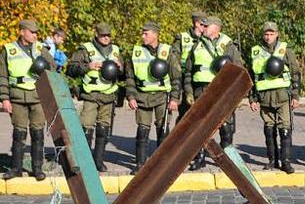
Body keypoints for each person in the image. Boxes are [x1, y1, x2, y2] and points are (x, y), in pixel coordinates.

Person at [184, 16, 242, 170]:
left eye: (206, 26)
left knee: (225, 125)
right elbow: (188, 72)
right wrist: (189, 92)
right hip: (201, 91)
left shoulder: (229, 46)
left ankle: (227, 159)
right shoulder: (196, 46)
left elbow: (239, 69)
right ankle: (200, 157)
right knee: (200, 126)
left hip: (223, 91)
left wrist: (235, 94)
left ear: (216, 28)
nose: (202, 29)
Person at [0, 19, 55, 181]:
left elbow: (52, 67)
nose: (35, 35)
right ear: (22, 32)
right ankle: (16, 168)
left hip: (37, 97)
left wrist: (43, 62)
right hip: (17, 97)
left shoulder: (40, 48)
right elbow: (2, 77)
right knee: (19, 133)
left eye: (36, 32)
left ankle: (37, 168)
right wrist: (4, 99)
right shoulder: (8, 50)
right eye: (32, 32)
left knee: (37, 133)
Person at [66, 23, 124, 172]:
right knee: (86, 126)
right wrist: (88, 66)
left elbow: (125, 72)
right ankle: (84, 160)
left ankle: (98, 160)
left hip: (109, 95)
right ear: (96, 35)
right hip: (91, 95)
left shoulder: (116, 50)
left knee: (103, 128)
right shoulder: (85, 49)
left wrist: (120, 67)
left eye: (108, 35)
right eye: (103, 35)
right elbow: (70, 69)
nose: (106, 38)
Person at [126, 21, 181, 174]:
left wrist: (175, 99)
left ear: (155, 34)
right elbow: (129, 78)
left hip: (162, 96)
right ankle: (140, 165)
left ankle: (163, 164)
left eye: (146, 33)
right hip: (142, 97)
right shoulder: (136, 52)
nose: (142, 36)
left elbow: (176, 76)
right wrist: (131, 96)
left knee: (162, 129)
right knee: (142, 130)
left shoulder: (168, 51)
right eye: (142, 33)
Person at [248, 22, 301, 173]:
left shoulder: (285, 50)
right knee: (269, 130)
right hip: (264, 97)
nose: (268, 37)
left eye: (271, 34)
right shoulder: (256, 51)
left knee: (285, 129)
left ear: (277, 34)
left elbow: (295, 72)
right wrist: (252, 99)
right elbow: (252, 77)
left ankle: (286, 161)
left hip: (283, 95)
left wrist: (296, 96)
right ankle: (272, 160)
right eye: (266, 34)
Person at [172, 11, 208, 124]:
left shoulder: (207, 38)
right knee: (184, 111)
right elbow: (174, 59)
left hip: (199, 79)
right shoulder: (182, 37)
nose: (205, 28)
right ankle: (179, 138)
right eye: (203, 25)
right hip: (184, 78)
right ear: (196, 23)